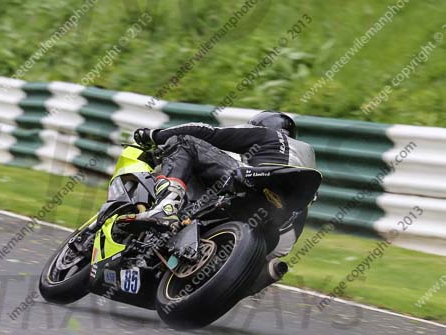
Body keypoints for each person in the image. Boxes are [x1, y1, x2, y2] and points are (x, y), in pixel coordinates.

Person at [132, 111, 319, 261]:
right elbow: (278, 255)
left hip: (255, 182)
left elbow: (207, 133)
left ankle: (165, 208)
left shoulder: (266, 134)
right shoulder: (307, 155)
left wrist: (154, 135)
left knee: (185, 142)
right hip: (283, 220)